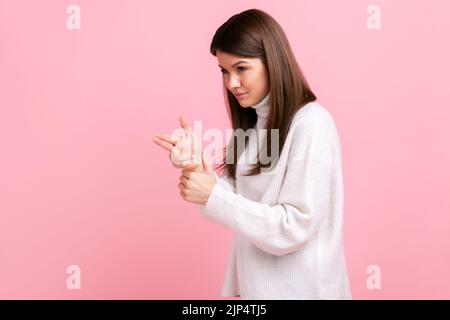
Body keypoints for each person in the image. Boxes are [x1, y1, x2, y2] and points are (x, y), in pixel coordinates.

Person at [153, 8, 352, 300]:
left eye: (241, 68)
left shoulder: (312, 123)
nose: (231, 82)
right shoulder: (256, 122)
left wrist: (213, 195)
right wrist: (198, 169)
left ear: (272, 62)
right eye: (224, 70)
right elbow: (242, 198)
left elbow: (294, 227)